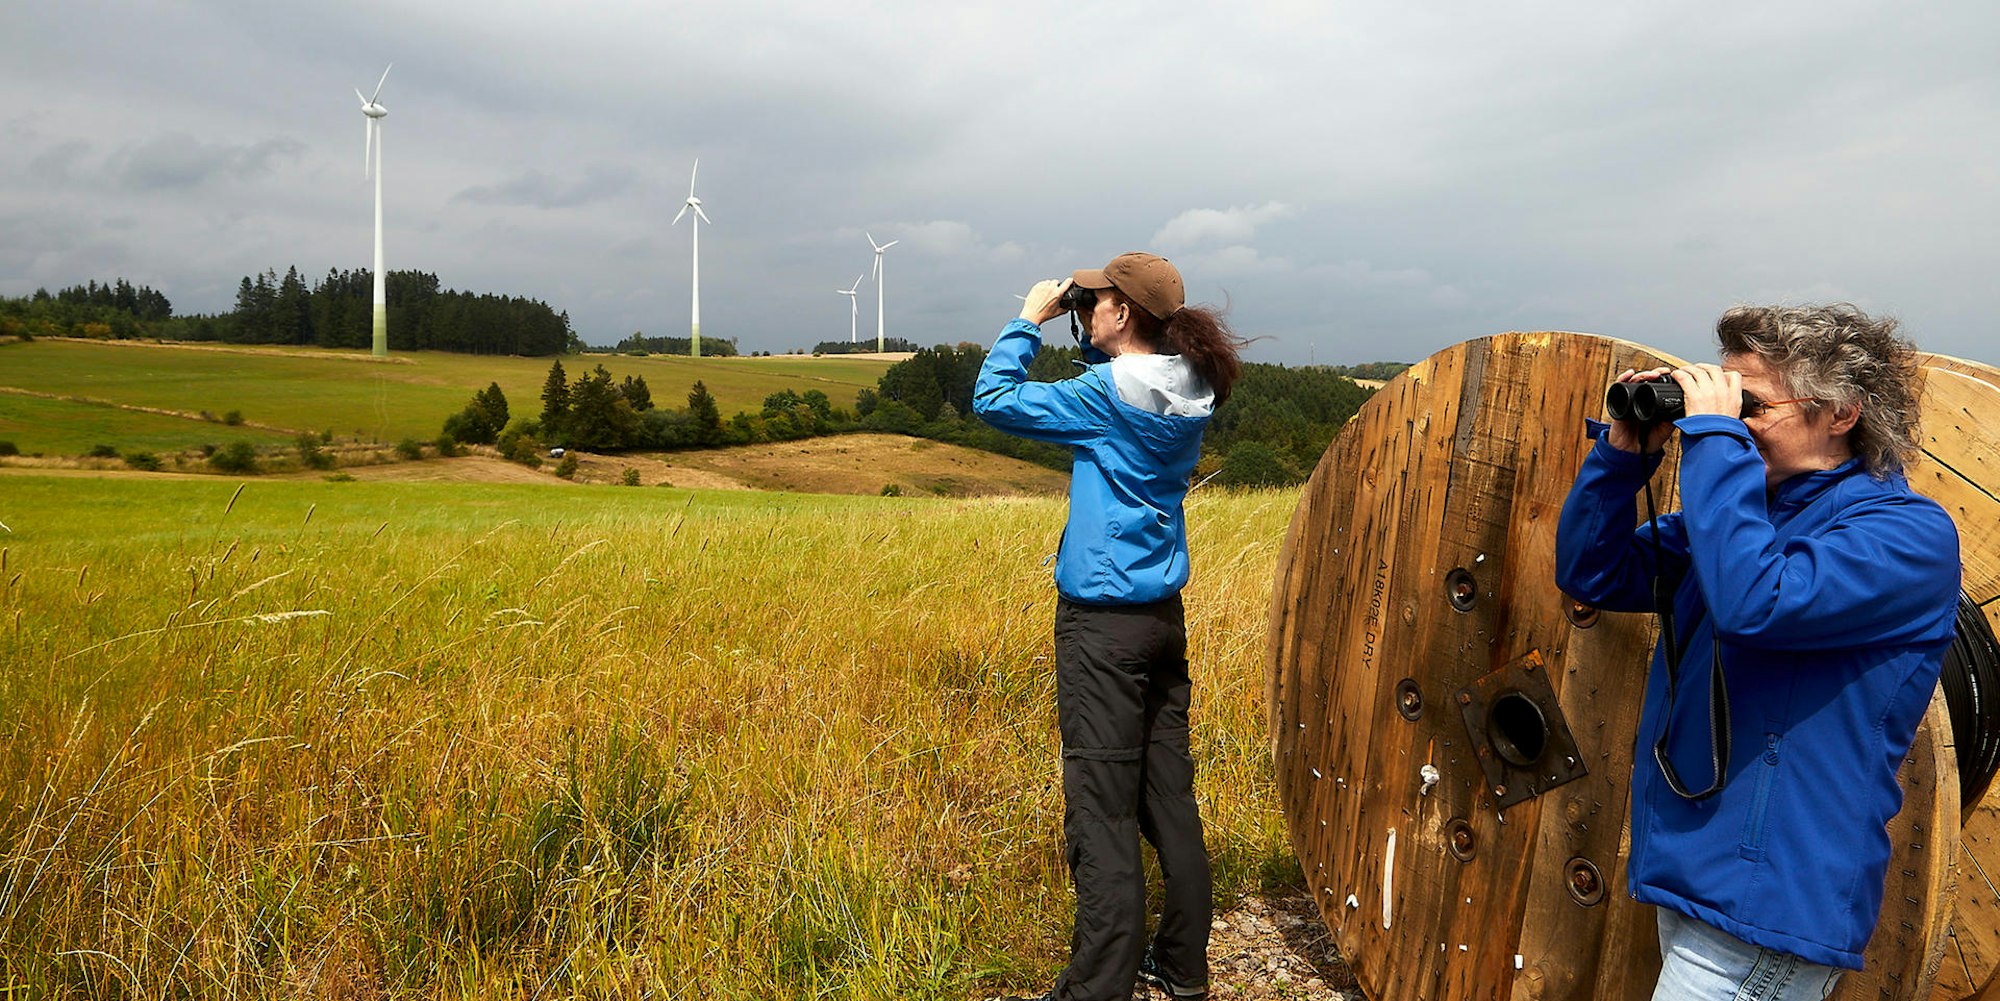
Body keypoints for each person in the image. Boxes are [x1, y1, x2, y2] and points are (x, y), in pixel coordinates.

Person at [1554, 304, 1961, 1000]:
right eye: (1729, 400)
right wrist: (1622, 454)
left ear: (1841, 413)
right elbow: (1594, 572)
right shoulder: (1747, 521)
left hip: (1770, 897)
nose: (1736, 421)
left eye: (1753, 404)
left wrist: (1713, 440)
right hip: (1700, 872)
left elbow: (1757, 602)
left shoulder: (1909, 540)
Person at [972, 252, 1247, 1001]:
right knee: (1168, 796)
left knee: (1101, 807)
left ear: (1122, 313)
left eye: (1094, 301)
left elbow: (993, 398)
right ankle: (1185, 967)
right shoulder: (1195, 387)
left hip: (1102, 624)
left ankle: (1098, 986)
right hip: (1162, 617)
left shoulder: (1105, 393)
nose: (1085, 309)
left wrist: (1030, 317)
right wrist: (1082, 319)